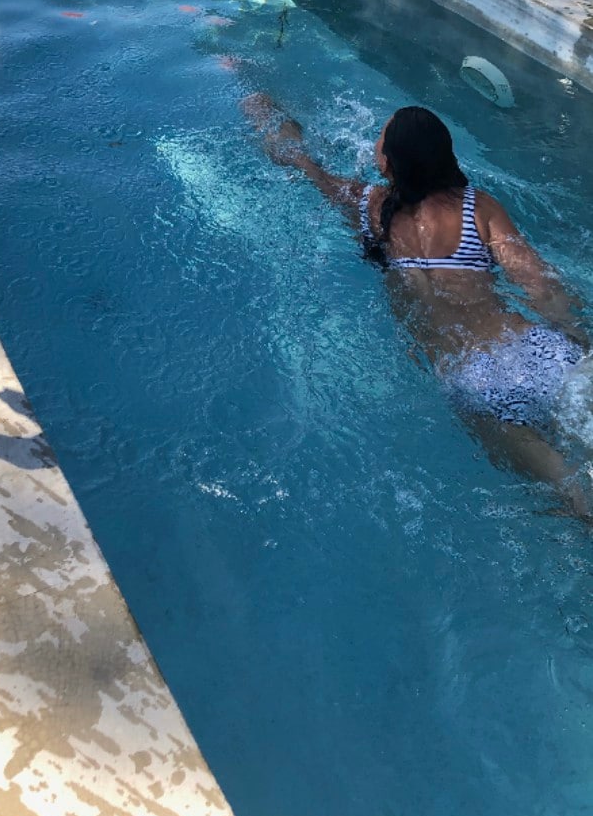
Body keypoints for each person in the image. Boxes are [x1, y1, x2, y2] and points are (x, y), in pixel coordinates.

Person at [243, 94, 591, 518]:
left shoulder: (371, 208)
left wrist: (266, 113)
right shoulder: (477, 206)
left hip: (477, 379)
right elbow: (543, 288)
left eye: (380, 140)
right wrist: (580, 339)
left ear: (388, 162)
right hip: (539, 351)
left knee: (578, 501)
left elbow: (302, 164)